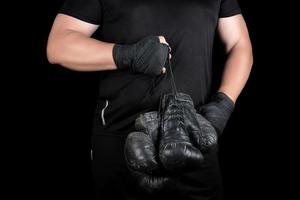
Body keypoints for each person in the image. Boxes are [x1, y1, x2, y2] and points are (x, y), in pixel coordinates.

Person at [47, 0, 253, 199]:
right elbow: (59, 44)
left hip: (194, 137)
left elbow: (239, 43)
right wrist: (129, 56)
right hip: (123, 141)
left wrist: (224, 104)